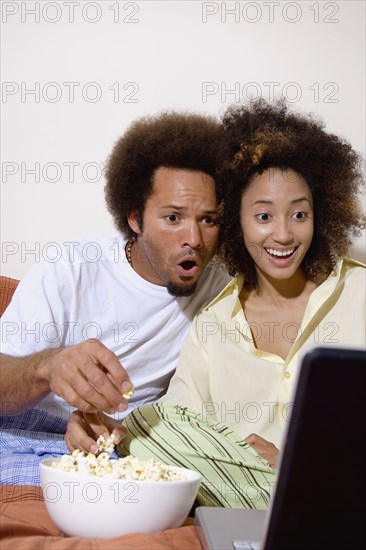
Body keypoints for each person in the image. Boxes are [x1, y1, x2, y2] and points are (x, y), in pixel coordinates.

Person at [117, 99, 366, 509]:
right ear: (236, 219)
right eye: (264, 216)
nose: (283, 235)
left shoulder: (357, 292)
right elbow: (172, 436)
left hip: (343, 503)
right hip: (250, 517)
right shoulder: (213, 324)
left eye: (299, 215)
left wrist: (294, 470)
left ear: (320, 215)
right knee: (144, 427)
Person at [0, 111, 230, 485]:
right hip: (23, 428)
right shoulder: (72, 266)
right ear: (135, 220)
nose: (194, 238)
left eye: (208, 220)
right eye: (173, 218)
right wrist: (48, 367)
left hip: (119, 447)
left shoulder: (223, 295)